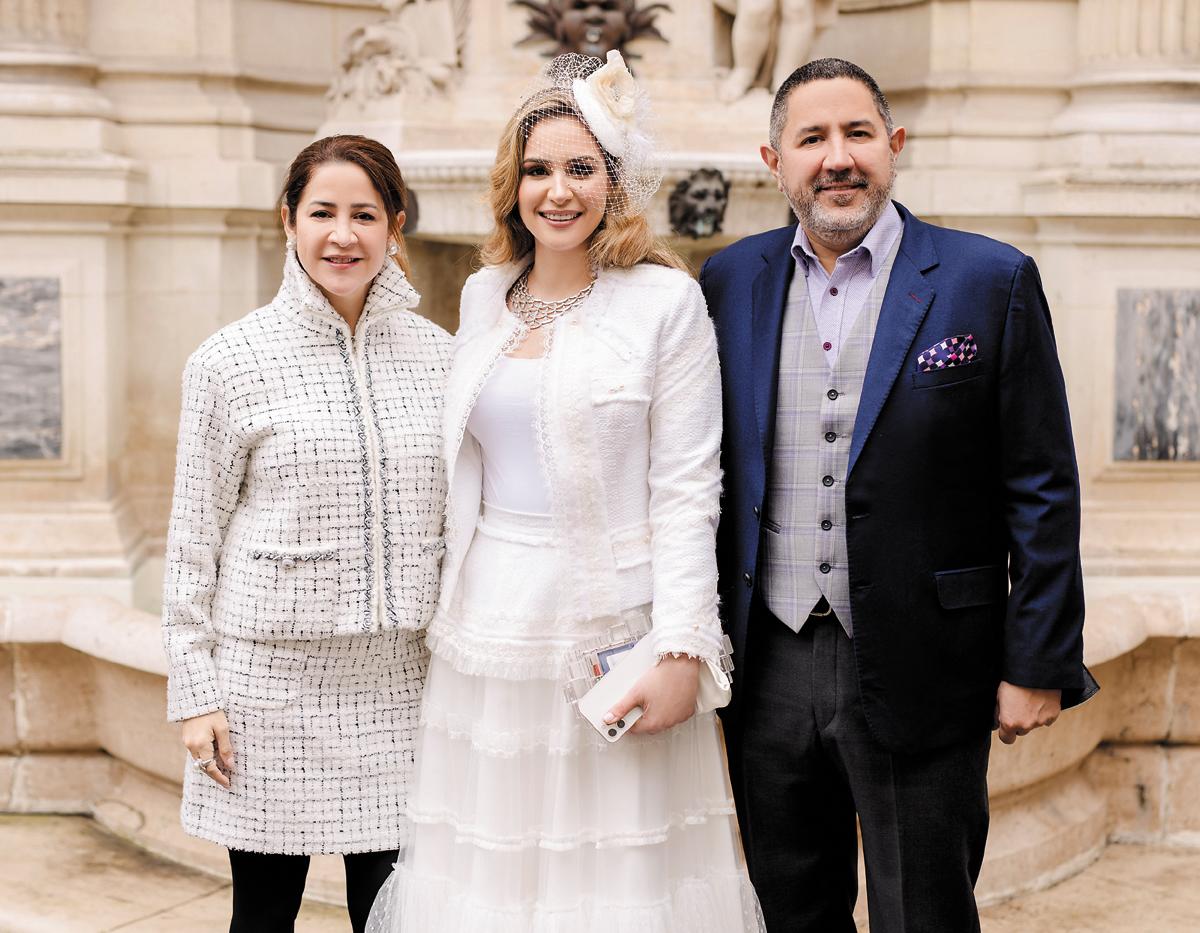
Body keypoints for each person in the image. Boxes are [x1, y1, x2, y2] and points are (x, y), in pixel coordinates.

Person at [701, 58, 1099, 933]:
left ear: (895, 146)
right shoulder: (728, 282)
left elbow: (1041, 485)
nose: (837, 158)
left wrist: (1036, 662)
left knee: (926, 912)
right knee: (791, 908)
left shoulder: (987, 280)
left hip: (928, 657)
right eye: (812, 139)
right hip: (768, 663)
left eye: (857, 134)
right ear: (774, 160)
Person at [368, 51, 762, 932]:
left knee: (616, 872)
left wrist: (683, 649)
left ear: (613, 181)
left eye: (581, 168)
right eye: (539, 169)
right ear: (512, 184)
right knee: (492, 866)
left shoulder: (664, 302)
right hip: (486, 625)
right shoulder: (480, 297)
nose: (558, 190)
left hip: (616, 626)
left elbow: (691, 487)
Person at [161, 134, 451, 933]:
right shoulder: (228, 361)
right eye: (322, 212)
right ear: (288, 220)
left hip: (400, 687)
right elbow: (192, 539)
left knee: (392, 914)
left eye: (365, 214)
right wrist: (196, 694)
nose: (342, 234)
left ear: (395, 226)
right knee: (262, 917)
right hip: (267, 694)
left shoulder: (442, 358)